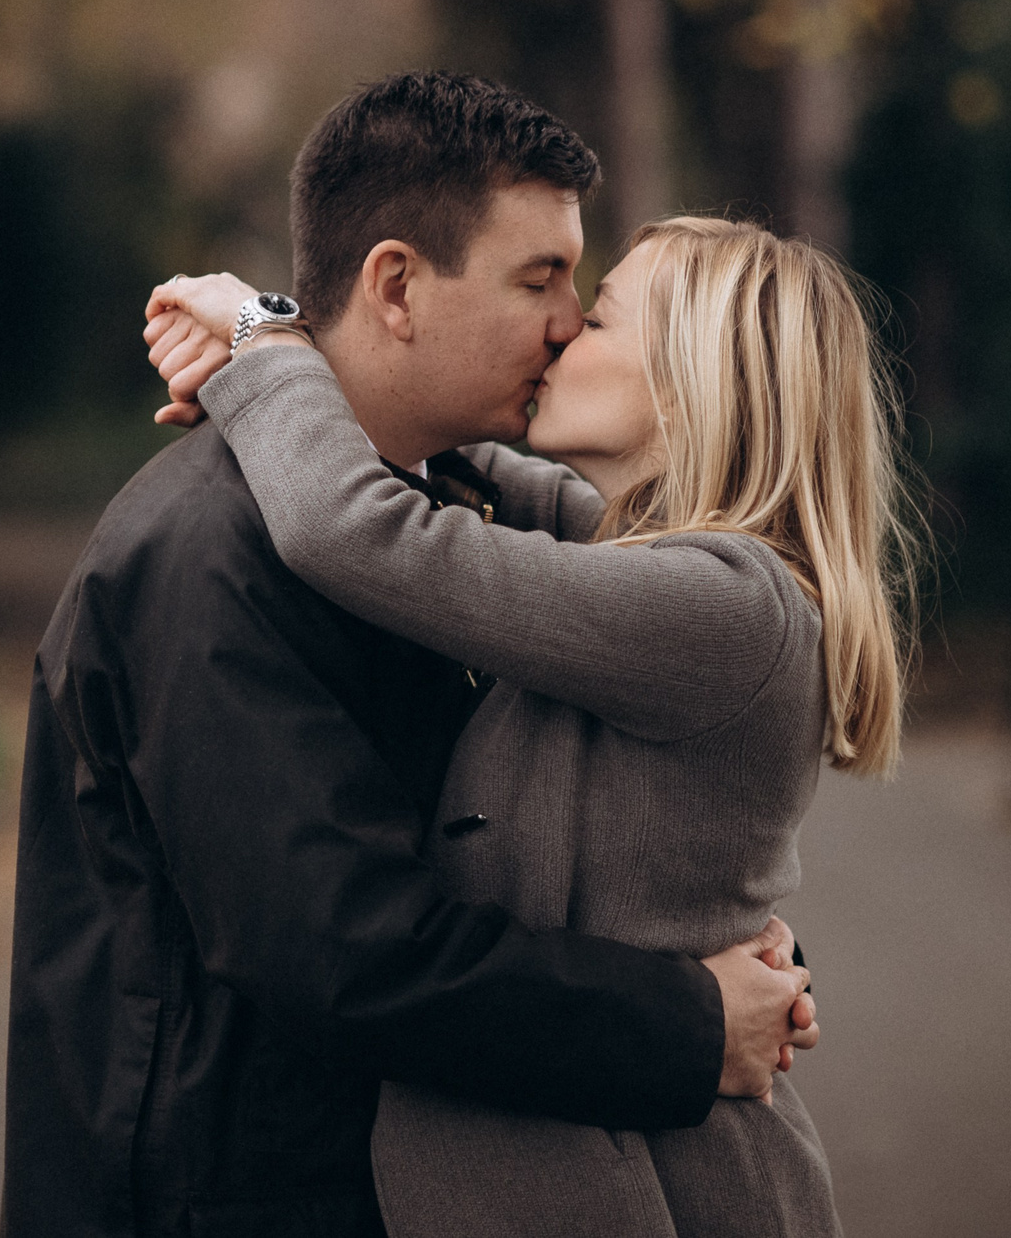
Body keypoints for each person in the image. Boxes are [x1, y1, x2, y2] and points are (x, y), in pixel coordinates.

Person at [2, 73, 819, 1238]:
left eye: (583, 293)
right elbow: (349, 954)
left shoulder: (450, 516)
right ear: (394, 286)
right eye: (539, 279)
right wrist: (687, 1022)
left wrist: (730, 956)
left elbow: (560, 842)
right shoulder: (213, 558)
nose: (564, 321)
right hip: (231, 1197)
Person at [143, 211, 914, 1238]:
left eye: (594, 321)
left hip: (654, 1194)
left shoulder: (720, 608)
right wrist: (297, 353)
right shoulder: (659, 571)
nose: (559, 335)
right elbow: (466, 474)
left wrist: (261, 341)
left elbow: (364, 529)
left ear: (690, 385)